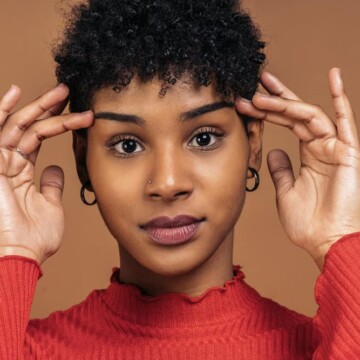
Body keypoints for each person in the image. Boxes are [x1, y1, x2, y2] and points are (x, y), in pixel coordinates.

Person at [0, 0, 359, 358]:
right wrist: (9, 252)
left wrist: (341, 238)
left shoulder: (322, 349)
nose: (168, 183)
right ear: (83, 160)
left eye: (203, 138)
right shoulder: (27, 350)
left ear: (253, 144)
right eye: (127, 145)